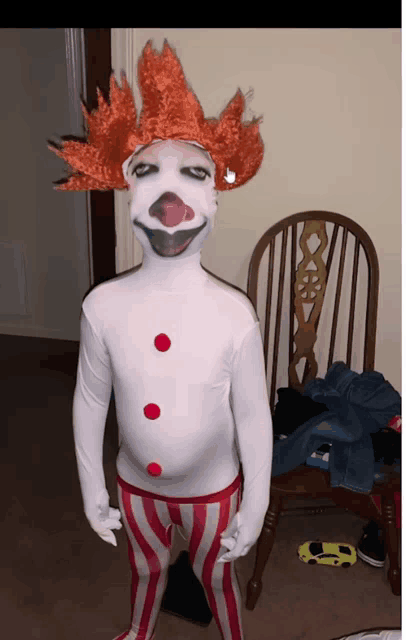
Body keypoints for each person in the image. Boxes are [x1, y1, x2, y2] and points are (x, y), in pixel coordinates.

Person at [49, 40, 273, 640]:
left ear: (214, 198)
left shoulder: (235, 316)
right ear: (127, 195)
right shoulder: (102, 307)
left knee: (217, 579)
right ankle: (140, 633)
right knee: (145, 571)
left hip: (212, 492)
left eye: (192, 174)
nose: (169, 198)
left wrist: (255, 503)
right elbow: (92, 399)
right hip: (136, 488)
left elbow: (253, 414)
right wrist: (93, 484)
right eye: (147, 172)